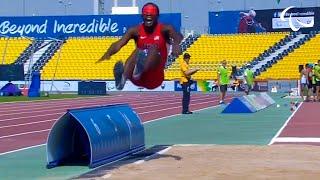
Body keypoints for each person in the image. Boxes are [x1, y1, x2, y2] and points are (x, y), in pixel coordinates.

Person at [97, 2, 183, 90]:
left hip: (155, 78)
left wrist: (176, 44)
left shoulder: (165, 29)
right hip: (137, 79)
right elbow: (119, 43)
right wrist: (107, 54)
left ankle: (140, 68)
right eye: (146, 15)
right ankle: (123, 79)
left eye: (151, 15)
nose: (148, 17)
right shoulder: (135, 30)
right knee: (138, 51)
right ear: (142, 16)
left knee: (153, 48)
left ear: (157, 17)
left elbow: (178, 36)